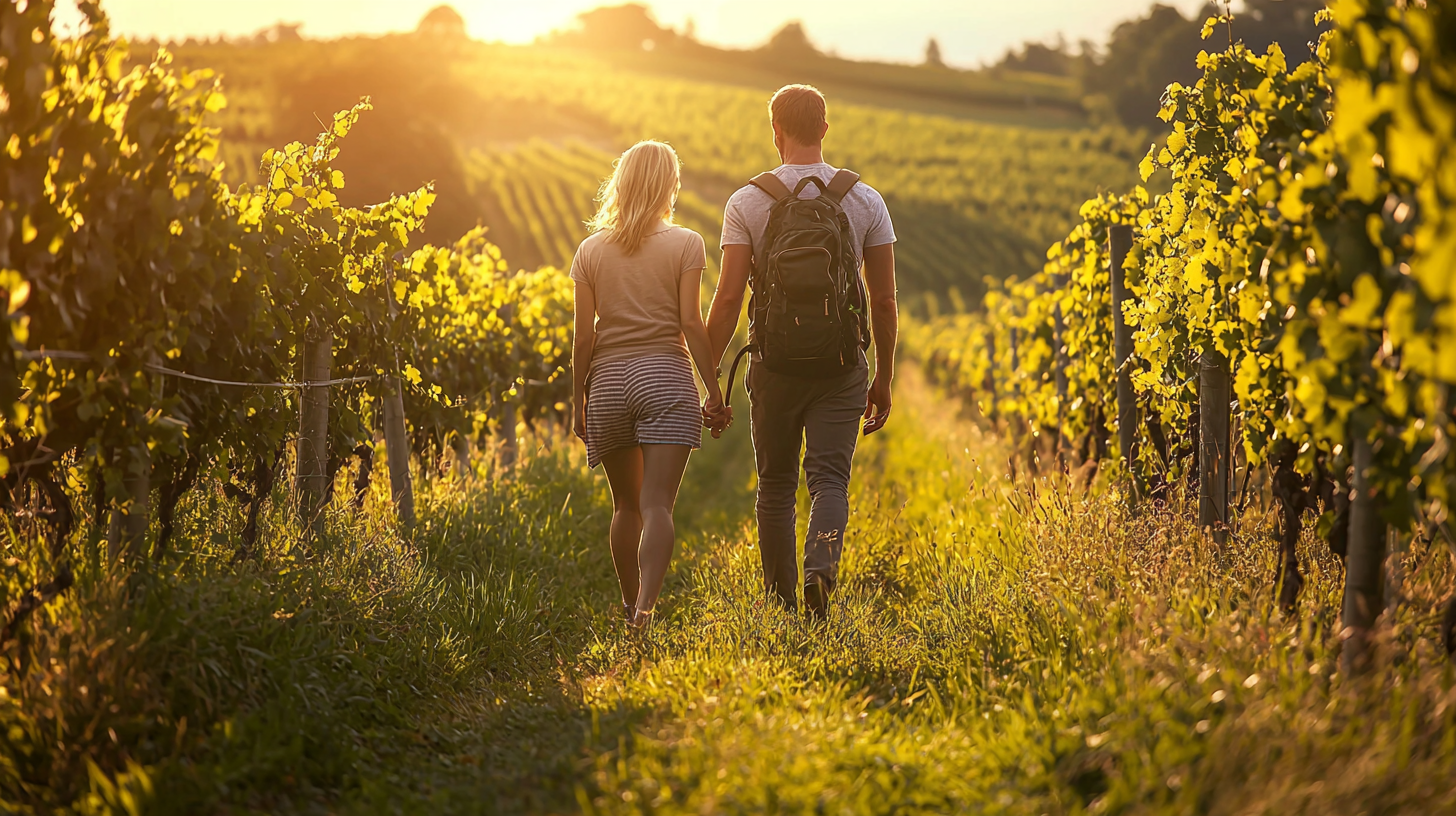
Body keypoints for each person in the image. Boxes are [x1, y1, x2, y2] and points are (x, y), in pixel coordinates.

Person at [705, 84, 898, 619]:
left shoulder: (746, 201)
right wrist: (882, 376)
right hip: (842, 366)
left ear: (776, 132)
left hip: (774, 363)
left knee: (775, 486)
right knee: (830, 479)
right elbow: (883, 300)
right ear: (825, 130)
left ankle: (780, 604)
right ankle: (821, 568)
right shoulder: (865, 200)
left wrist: (706, 376)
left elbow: (725, 300)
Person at [570, 140, 728, 629]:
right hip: (664, 374)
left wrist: (578, 400)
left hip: (609, 381)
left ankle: (626, 602)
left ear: (621, 182)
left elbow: (583, 336)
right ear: (669, 186)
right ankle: (645, 611)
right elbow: (691, 323)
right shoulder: (686, 244)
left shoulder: (590, 250)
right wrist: (713, 389)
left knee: (625, 506)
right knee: (657, 503)